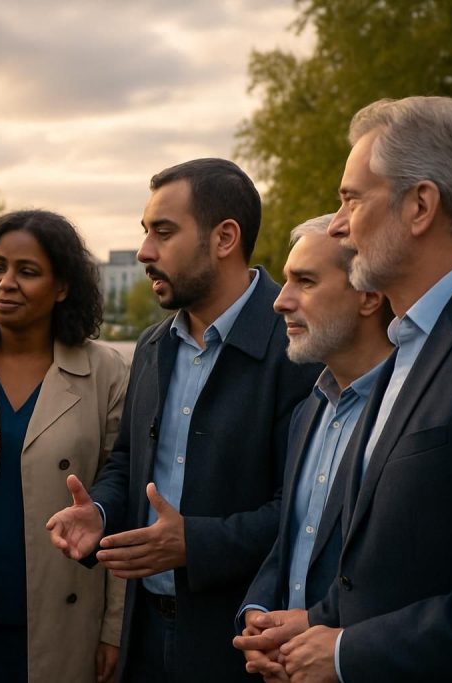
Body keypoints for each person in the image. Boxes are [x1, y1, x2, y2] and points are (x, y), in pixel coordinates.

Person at [47, 158, 320, 682]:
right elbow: (130, 459)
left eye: (164, 233)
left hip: (245, 645)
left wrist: (193, 543)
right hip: (144, 636)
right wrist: (100, 513)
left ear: (224, 238)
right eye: (145, 232)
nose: (146, 252)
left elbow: (309, 511)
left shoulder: (299, 344)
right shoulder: (153, 345)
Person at [266, 97, 452, 681]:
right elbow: (403, 564)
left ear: (420, 205)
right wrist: (318, 621)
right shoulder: (409, 345)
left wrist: (349, 653)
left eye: (351, 198)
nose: (338, 225)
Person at [0, 210, 128, 683]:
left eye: (28, 271)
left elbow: (124, 502)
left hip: (65, 621)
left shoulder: (107, 374)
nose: (6, 283)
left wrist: (115, 627)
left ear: (62, 287)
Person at [231, 214, 393, 680]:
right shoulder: (310, 410)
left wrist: (327, 635)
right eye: (285, 282)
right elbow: (295, 537)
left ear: (369, 295)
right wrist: (258, 619)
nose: (280, 301)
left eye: (305, 281)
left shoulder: (412, 410)